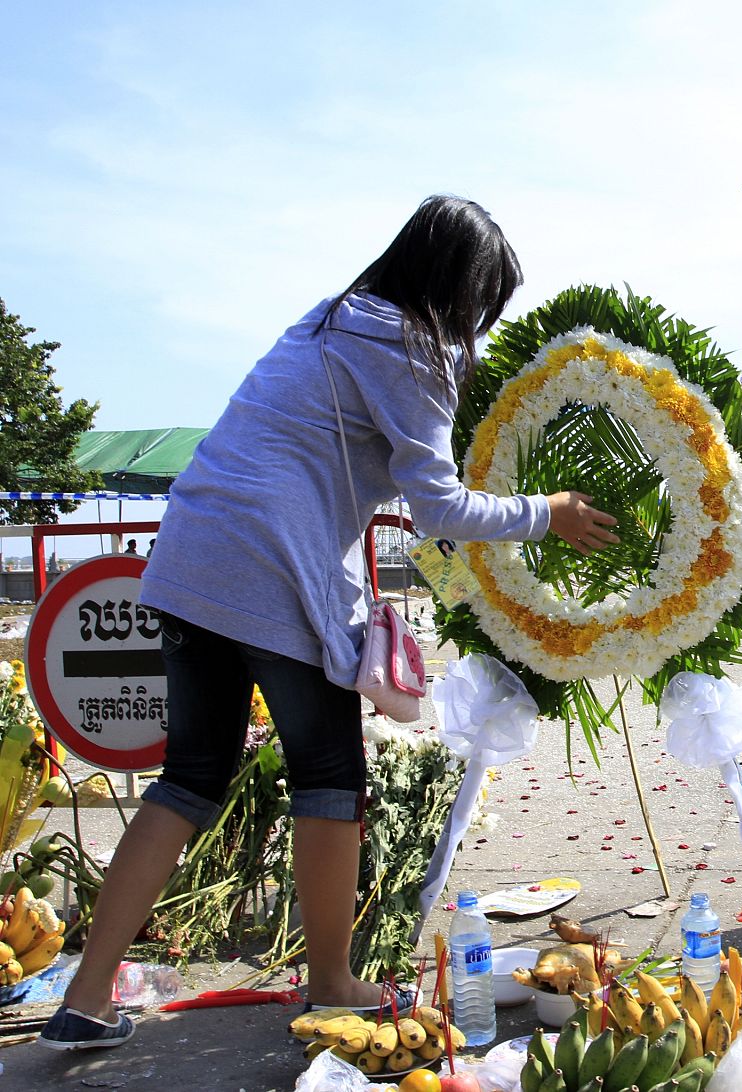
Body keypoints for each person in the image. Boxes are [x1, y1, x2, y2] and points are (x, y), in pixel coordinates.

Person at [41, 196, 621, 1052]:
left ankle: (83, 1002)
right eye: (480, 304)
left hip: (191, 556)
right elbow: (439, 506)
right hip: (273, 573)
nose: (475, 326)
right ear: (459, 289)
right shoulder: (417, 353)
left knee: (189, 779)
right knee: (329, 782)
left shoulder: (326, 322)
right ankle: (332, 980)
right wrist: (549, 512)